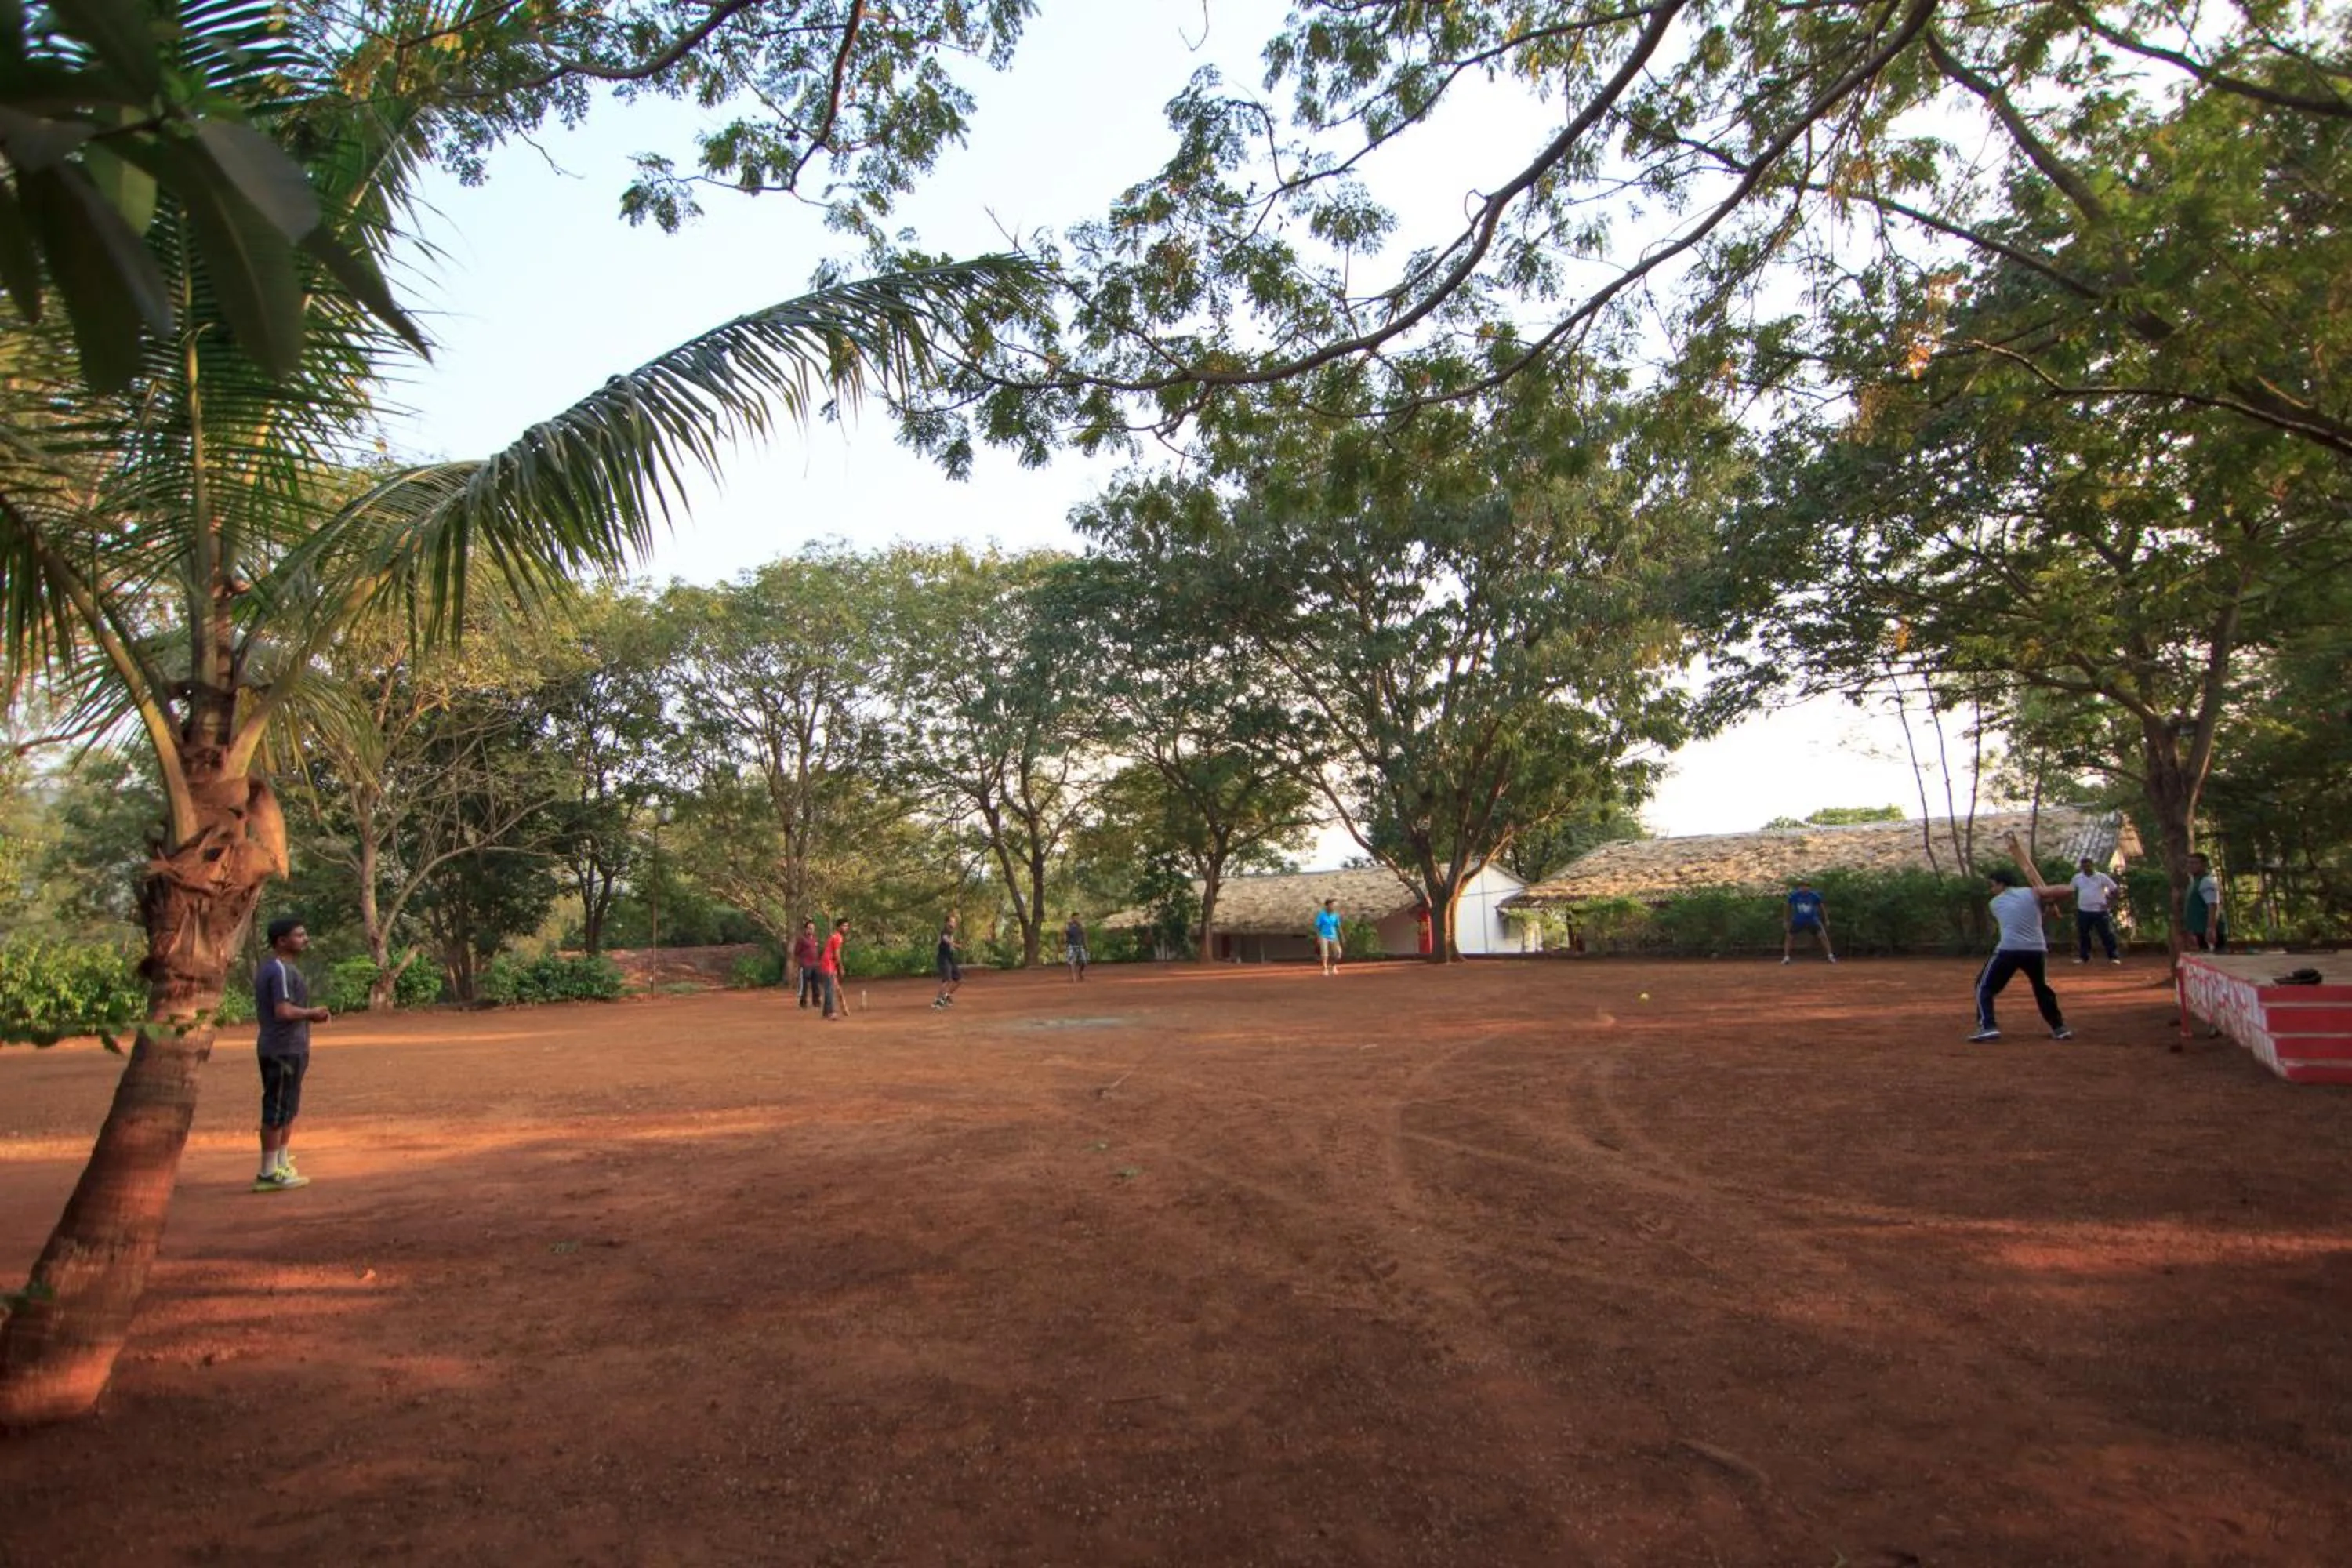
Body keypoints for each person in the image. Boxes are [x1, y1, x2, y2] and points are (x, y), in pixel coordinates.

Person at [252, 916, 329, 1192]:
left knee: (288, 1108)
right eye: (299, 935)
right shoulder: (278, 970)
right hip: (281, 1049)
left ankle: (281, 1162)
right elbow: (283, 1011)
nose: (305, 939)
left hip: (293, 1048)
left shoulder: (285, 968)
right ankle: (268, 1172)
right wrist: (312, 1013)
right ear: (282, 941)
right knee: (276, 1109)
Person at [1969, 866, 2076, 1042]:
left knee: (1983, 986)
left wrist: (2044, 901)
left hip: (2009, 949)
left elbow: (2019, 916)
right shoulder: (2032, 894)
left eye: (1993, 885)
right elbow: (2068, 890)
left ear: (2002, 885)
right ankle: (2059, 1028)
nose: (1992, 890)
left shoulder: (1996, 903)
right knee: (2042, 988)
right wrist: (2046, 898)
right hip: (2036, 949)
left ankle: (1987, 1026)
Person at [2069, 857, 2123, 964]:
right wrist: (2074, 904)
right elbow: (2071, 890)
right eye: (2084, 866)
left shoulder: (2101, 877)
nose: (2086, 868)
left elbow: (2115, 889)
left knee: (2106, 934)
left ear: (2092, 865)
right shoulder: (2077, 878)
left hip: (2099, 910)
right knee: (2083, 934)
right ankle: (2084, 957)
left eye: (2088, 865)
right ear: (2081, 867)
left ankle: (2113, 957)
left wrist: (2109, 904)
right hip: (2083, 910)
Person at [1782, 880, 1837, 965]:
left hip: (1812, 920)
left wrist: (1826, 919)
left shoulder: (1814, 896)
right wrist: (1786, 920)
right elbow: (1788, 907)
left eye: (1806, 886)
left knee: (1823, 936)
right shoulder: (1794, 895)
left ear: (1809, 887)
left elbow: (1822, 908)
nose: (1804, 888)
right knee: (1789, 937)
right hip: (1798, 920)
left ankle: (1830, 956)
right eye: (1802, 886)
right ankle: (1786, 957)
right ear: (1799, 888)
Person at [2184, 852, 2227, 953]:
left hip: (2209, 930)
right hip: (2199, 929)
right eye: (2189, 863)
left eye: (2195, 863)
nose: (2191, 866)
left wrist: (2211, 928)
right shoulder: (2194, 882)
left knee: (2216, 960)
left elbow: (2213, 905)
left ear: (2204, 865)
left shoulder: (2207, 881)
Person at [819, 917, 850, 1019]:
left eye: (847, 926)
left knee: (829, 987)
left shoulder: (834, 936)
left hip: (828, 963)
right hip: (828, 964)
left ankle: (825, 1012)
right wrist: (841, 967)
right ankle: (831, 1012)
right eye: (844, 926)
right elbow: (837, 954)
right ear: (838, 927)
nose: (846, 928)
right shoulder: (838, 937)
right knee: (830, 989)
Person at [791, 919, 823, 1008]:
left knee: (815, 984)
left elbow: (817, 951)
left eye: (812, 928)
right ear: (806, 929)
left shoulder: (815, 939)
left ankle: (816, 1001)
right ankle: (803, 1002)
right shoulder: (802, 939)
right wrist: (798, 964)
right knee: (804, 984)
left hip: (815, 965)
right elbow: (796, 952)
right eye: (809, 928)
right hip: (806, 965)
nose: (811, 930)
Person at [934, 912, 963, 1009]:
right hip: (943, 958)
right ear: (946, 923)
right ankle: (938, 1000)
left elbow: (949, 945)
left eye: (954, 922)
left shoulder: (951, 933)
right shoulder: (944, 932)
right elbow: (945, 940)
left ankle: (945, 996)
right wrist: (955, 945)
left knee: (959, 980)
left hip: (950, 959)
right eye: (951, 922)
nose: (952, 924)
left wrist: (954, 948)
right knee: (946, 980)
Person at [1314, 898, 1344, 975]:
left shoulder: (1335, 915)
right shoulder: (1321, 915)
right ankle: (1325, 969)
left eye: (1334, 906)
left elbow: (1338, 926)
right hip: (1324, 935)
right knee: (1325, 954)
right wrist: (1318, 937)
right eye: (1331, 905)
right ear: (1327, 906)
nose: (1333, 907)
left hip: (1334, 936)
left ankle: (1333, 966)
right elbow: (1317, 926)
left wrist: (1342, 936)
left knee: (1338, 953)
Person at [1064, 913, 1089, 982]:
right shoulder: (1068, 926)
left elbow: (1084, 935)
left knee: (1084, 961)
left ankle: (1080, 972)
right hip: (1071, 945)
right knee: (1072, 961)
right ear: (1072, 918)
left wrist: (1086, 945)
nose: (1077, 919)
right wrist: (1064, 944)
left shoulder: (1081, 926)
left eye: (1078, 918)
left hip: (1080, 945)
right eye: (1075, 918)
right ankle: (1073, 976)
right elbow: (1064, 934)